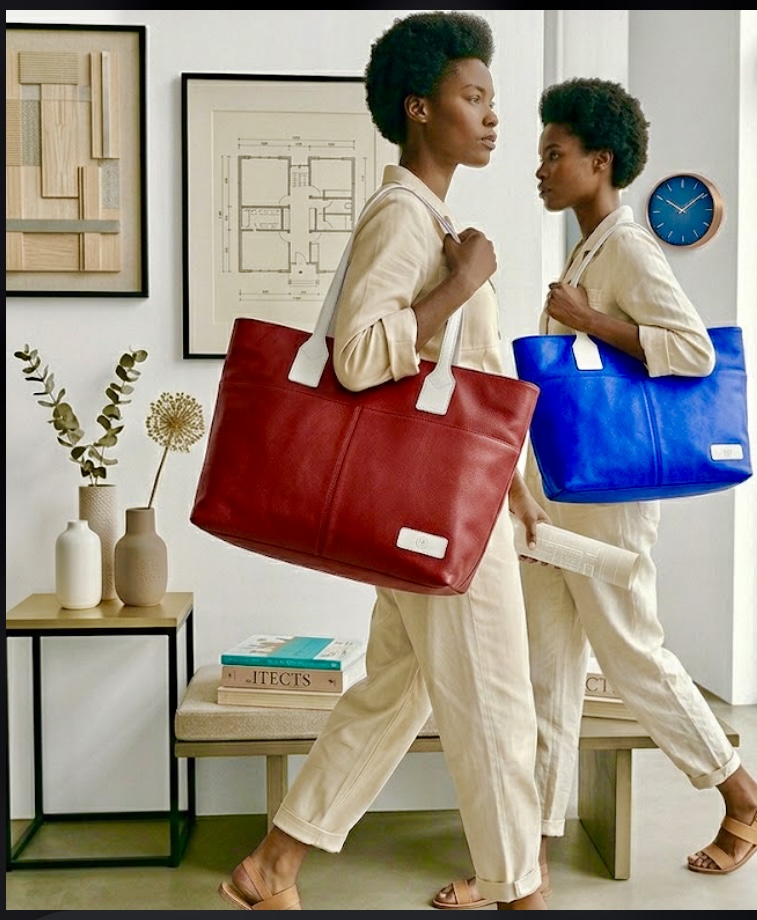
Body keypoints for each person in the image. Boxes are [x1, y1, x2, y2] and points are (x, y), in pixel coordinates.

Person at [216, 12, 550, 911]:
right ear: (418, 108)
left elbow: (464, 380)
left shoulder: (429, 217)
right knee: (494, 707)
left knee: (395, 696)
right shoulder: (404, 219)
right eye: (470, 97)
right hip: (430, 511)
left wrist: (513, 489)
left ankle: (272, 867)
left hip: (445, 504)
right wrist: (460, 284)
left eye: (492, 99)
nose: (489, 116)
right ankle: (522, 894)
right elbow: (358, 356)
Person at [432, 76, 757, 909]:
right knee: (542, 677)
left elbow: (688, 352)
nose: (539, 167)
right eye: (540, 153)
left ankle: (743, 796)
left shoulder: (628, 247)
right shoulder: (586, 247)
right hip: (556, 499)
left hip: (606, 503)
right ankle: (525, 864)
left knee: (629, 653)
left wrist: (589, 321)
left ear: (600, 160)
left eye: (554, 153)